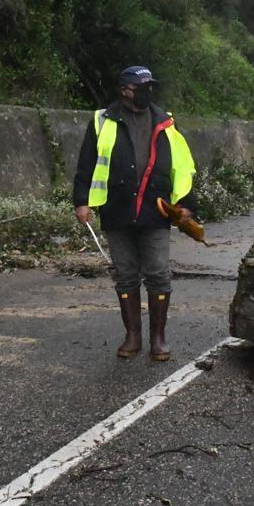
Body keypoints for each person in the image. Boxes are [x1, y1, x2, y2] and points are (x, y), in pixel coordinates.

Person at [73, 65, 196, 362]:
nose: (147, 92)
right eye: (141, 87)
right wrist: (82, 201)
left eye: (150, 86)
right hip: (117, 208)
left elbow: (182, 166)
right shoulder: (102, 120)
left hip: (156, 210)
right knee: (126, 274)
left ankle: (158, 339)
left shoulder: (166, 122)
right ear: (125, 90)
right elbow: (87, 163)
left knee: (158, 273)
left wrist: (186, 204)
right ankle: (132, 337)